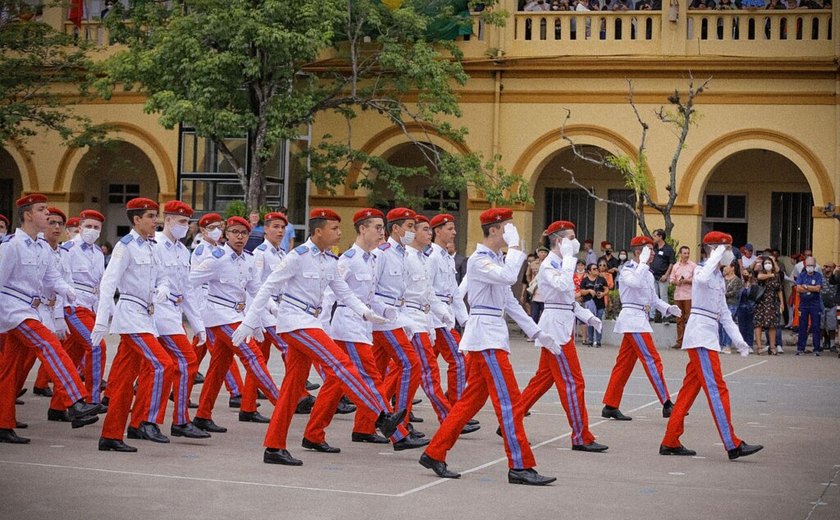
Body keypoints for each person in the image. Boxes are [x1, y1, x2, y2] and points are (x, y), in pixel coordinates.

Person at [231, 208, 412, 465]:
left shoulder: (330, 260)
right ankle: (382, 416)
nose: (339, 233)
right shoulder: (297, 256)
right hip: (295, 322)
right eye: (334, 229)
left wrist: (366, 313)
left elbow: (345, 293)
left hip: (310, 320)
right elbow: (268, 286)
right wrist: (250, 322)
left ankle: (274, 446)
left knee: (292, 388)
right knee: (342, 364)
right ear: (318, 232)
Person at [419, 208, 557, 486]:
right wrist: (517, 247)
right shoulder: (480, 260)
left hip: (490, 336)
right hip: (486, 339)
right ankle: (520, 464)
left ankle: (435, 452)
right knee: (509, 402)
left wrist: (537, 332)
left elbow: (510, 302)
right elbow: (508, 277)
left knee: (469, 402)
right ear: (494, 230)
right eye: (507, 227)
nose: (510, 232)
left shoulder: (495, 259)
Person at [313, 208, 427, 449]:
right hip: (347, 326)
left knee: (335, 383)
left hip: (363, 326)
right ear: (362, 229)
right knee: (373, 379)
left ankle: (313, 434)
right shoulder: (347, 260)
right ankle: (398, 434)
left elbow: (371, 296)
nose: (380, 233)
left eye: (382, 228)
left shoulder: (373, 259)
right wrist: (322, 328)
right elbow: (330, 296)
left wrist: (388, 313)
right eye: (376, 227)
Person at [0, 194, 102, 444]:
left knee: (9, 370)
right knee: (49, 345)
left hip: (31, 309)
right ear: (27, 215)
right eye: (42, 210)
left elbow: (51, 278)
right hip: (13, 310)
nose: (48, 214)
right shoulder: (11, 245)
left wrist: (68, 290)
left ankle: (3, 423)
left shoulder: (41, 246)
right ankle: (75, 401)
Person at [660, 231, 764, 461]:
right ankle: (732, 443)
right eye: (726, 249)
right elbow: (703, 278)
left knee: (688, 392)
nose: (730, 255)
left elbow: (725, 315)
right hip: (701, 337)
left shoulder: (717, 277)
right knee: (717, 389)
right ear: (715, 250)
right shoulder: (702, 270)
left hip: (707, 336)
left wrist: (739, 341)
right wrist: (717, 253)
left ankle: (670, 440)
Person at [91, 197, 175, 452]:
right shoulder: (125, 246)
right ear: (136, 219)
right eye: (150, 216)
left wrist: (162, 289)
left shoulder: (153, 246)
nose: (155, 221)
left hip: (146, 317)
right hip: (131, 317)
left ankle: (111, 435)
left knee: (125, 381)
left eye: (155, 216)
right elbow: (108, 284)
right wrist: (101, 321)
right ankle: (146, 420)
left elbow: (164, 278)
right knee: (163, 364)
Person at [517, 220, 607, 453]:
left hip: (561, 324)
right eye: (570, 237)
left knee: (544, 379)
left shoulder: (562, 263)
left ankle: (512, 419)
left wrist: (589, 317)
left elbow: (569, 300)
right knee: (573, 383)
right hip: (556, 331)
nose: (575, 242)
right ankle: (581, 436)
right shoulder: (550, 265)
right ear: (559, 241)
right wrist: (568, 261)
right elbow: (563, 285)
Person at [188, 216, 281, 433]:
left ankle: (202, 415)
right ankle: (280, 400)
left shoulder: (248, 259)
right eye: (235, 232)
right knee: (253, 355)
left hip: (236, 314)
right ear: (226, 234)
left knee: (218, 368)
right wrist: (190, 311)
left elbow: (257, 290)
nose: (239, 237)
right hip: (218, 316)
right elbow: (190, 281)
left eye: (244, 233)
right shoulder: (217, 258)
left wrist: (270, 309)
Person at [602, 235, 680, 421]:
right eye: (650, 250)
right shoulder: (628, 269)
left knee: (624, 365)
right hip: (632, 319)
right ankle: (667, 403)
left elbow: (652, 299)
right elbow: (634, 283)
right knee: (652, 360)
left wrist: (667, 308)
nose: (653, 254)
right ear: (639, 252)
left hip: (640, 318)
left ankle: (611, 405)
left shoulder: (646, 272)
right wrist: (643, 263)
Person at [150, 201, 210, 440]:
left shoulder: (183, 251)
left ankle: (146, 421)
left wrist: (197, 324)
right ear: (167, 221)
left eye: (187, 222)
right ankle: (179, 420)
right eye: (181, 221)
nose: (185, 227)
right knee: (186, 361)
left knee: (160, 369)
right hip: (157, 312)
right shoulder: (153, 244)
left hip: (174, 313)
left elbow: (186, 290)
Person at [370, 208, 422, 433]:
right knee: (411, 364)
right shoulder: (382, 253)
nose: (412, 231)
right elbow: (369, 290)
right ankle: (400, 425)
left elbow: (404, 291)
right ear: (396, 228)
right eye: (409, 227)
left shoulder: (403, 253)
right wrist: (385, 312)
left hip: (397, 315)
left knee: (376, 374)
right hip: (383, 318)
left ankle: (364, 427)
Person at [190, 213, 245, 406]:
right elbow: (196, 282)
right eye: (211, 227)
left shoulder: (219, 249)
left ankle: (181, 388)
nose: (216, 231)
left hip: (213, 308)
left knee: (195, 354)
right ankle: (237, 391)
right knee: (222, 351)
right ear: (203, 230)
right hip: (207, 306)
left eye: (219, 227)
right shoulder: (201, 251)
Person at [59, 209, 107, 405]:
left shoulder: (98, 252)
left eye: (96, 227)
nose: (92, 230)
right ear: (79, 227)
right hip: (74, 304)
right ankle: (91, 400)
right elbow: (59, 280)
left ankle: (59, 405)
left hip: (91, 306)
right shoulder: (68, 248)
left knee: (73, 354)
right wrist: (58, 315)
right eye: (88, 226)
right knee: (97, 346)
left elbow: (101, 283)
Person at [429, 214, 470, 404]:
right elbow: (426, 290)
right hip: (435, 318)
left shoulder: (447, 257)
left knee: (422, 368)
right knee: (460, 359)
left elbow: (454, 293)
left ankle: (387, 407)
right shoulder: (432, 257)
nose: (454, 232)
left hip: (445, 316)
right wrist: (442, 315)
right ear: (438, 231)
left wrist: (465, 321)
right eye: (450, 229)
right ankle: (456, 406)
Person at [753, 256, 784, 355]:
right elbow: (759, 277)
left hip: (772, 302)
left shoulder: (776, 275)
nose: (768, 265)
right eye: (766, 263)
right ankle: (759, 347)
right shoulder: (761, 273)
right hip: (761, 302)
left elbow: (779, 290)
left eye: (769, 263)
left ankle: (772, 346)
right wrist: (770, 275)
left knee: (772, 325)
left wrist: (782, 303)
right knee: (758, 324)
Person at [794, 256, 823, 355]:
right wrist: (811, 288)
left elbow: (818, 289)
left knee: (816, 326)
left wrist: (805, 286)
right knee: (802, 326)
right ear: (805, 265)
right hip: (804, 304)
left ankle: (817, 349)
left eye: (812, 265)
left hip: (815, 304)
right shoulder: (802, 275)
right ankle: (800, 348)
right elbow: (798, 289)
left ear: (815, 265)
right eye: (808, 265)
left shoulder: (818, 275)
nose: (810, 267)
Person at [669, 246, 696, 349]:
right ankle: (680, 342)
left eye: (688, 253)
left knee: (689, 318)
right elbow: (671, 279)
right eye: (684, 253)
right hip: (678, 295)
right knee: (679, 320)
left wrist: (687, 281)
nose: (686, 255)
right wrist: (676, 282)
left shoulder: (693, 266)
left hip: (689, 295)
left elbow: (697, 279)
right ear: (680, 254)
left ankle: (690, 342)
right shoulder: (676, 266)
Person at [649, 229, 675, 322]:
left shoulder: (668, 249)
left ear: (660, 237)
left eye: (655, 236)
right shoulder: (653, 248)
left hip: (663, 276)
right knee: (652, 295)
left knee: (663, 296)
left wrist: (666, 275)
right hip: (653, 275)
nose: (653, 238)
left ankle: (666, 315)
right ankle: (651, 315)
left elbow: (671, 263)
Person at [580, 263, 608, 347]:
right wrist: (589, 291)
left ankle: (598, 340)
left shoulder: (601, 279)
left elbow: (607, 289)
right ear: (589, 271)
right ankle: (590, 339)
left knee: (598, 321)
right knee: (590, 322)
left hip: (600, 303)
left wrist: (602, 294)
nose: (596, 270)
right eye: (594, 269)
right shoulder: (585, 280)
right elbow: (581, 291)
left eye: (596, 268)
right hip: (589, 303)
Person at [720, 260, 743, 354]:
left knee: (728, 324)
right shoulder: (722, 278)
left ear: (733, 268)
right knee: (720, 325)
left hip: (731, 303)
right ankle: (721, 344)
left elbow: (735, 292)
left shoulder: (737, 280)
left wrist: (723, 294)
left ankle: (727, 345)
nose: (725, 268)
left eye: (727, 266)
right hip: (721, 304)